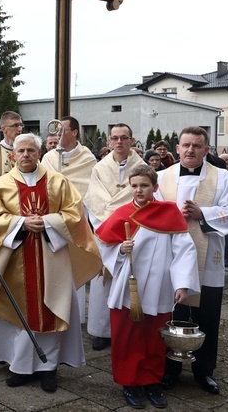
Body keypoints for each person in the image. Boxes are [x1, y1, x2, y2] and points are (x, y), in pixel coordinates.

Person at [0, 133, 101, 393]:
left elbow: (75, 214)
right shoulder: (1, 185)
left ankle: (48, 368)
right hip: (14, 256)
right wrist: (20, 223)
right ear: (13, 155)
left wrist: (48, 222)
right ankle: (18, 367)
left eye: (31, 150)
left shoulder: (58, 182)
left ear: (39, 153)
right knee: (15, 309)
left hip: (51, 257)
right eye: (22, 151)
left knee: (50, 308)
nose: (26, 155)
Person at [95, 164, 199, 409]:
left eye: (144, 186)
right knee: (127, 337)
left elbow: (184, 249)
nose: (138, 190)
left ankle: (153, 382)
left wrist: (182, 284)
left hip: (160, 287)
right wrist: (120, 249)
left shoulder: (169, 212)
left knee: (154, 338)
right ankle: (130, 383)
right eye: (134, 186)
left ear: (155, 187)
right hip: (128, 290)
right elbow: (102, 246)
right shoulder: (121, 214)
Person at [155, 126, 228, 395]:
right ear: (178, 148)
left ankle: (204, 371)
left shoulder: (223, 178)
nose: (191, 150)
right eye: (186, 145)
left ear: (206, 150)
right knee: (172, 315)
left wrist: (203, 213)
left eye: (197, 146)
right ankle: (169, 369)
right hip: (170, 258)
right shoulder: (161, 177)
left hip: (209, 260)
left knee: (207, 316)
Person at [84, 123, 146, 351]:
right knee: (102, 282)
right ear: (109, 142)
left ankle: (126, 328)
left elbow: (144, 197)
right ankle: (101, 331)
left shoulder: (142, 166)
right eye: (115, 138)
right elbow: (93, 199)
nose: (119, 142)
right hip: (105, 232)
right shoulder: (99, 168)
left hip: (133, 231)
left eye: (124, 138)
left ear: (132, 140)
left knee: (128, 279)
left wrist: (123, 222)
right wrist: (110, 227)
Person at [40, 116, 96, 323]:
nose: (58, 135)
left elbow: (89, 189)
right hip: (51, 218)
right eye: (56, 131)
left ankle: (76, 314)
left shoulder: (88, 158)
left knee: (73, 264)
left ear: (74, 133)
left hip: (76, 218)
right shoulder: (49, 158)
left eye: (63, 130)